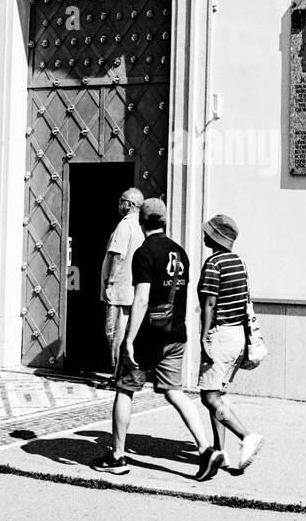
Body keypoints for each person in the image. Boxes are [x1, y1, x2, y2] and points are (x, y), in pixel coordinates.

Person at [93, 197, 225, 482]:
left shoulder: (144, 253)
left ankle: (117, 456)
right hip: (176, 334)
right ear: (164, 221)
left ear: (142, 222)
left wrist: (129, 339)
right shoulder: (181, 253)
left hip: (148, 336)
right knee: (174, 392)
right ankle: (205, 450)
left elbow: (141, 300)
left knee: (124, 390)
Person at [197, 214, 264, 472]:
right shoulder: (240, 262)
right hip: (237, 335)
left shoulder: (214, 263)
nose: (204, 235)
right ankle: (220, 451)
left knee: (209, 396)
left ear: (215, 237)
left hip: (220, 335)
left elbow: (210, 303)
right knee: (219, 394)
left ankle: (247, 437)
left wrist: (204, 335)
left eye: (207, 232)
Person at [99, 187, 144, 377]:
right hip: (134, 289)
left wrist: (110, 282)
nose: (119, 203)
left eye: (122, 200)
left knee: (115, 334)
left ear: (130, 204)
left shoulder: (124, 226)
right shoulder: (141, 226)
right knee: (126, 333)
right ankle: (123, 373)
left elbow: (118, 256)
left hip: (119, 289)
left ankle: (117, 376)